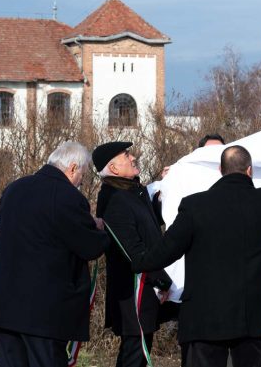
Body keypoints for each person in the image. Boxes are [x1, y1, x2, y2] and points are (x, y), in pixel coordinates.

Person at [128, 145, 261, 367]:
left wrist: (137, 261)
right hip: (249, 317)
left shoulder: (194, 205)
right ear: (249, 171)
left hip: (203, 318)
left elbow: (165, 251)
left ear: (221, 169)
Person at [0, 141, 109, 367]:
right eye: (82, 173)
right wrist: (101, 231)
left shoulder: (14, 188)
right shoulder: (69, 197)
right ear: (72, 168)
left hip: (4, 304)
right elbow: (89, 247)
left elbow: (15, 229)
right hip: (44, 312)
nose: (81, 180)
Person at [93, 141, 174, 367]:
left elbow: (148, 225)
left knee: (138, 353)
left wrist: (167, 186)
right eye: (126, 155)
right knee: (134, 355)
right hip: (133, 292)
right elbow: (133, 250)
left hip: (145, 289)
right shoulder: (114, 200)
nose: (133, 157)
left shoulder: (131, 191)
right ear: (114, 168)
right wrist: (161, 280)